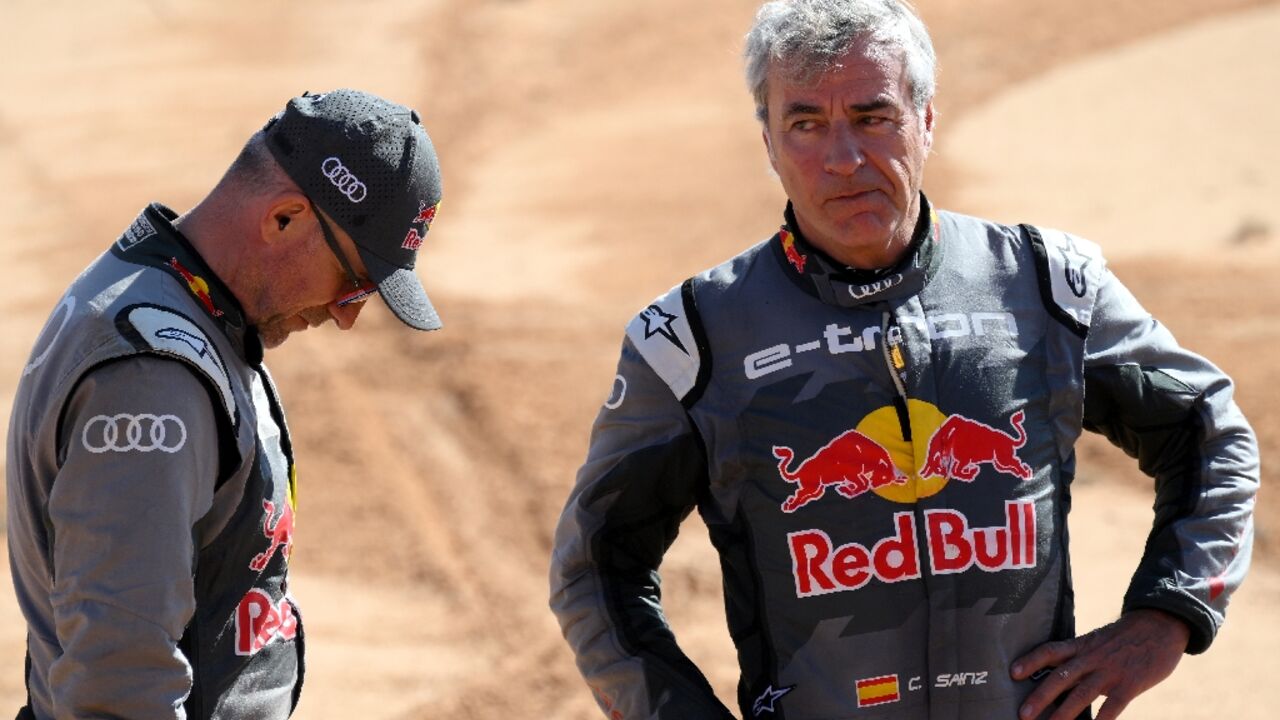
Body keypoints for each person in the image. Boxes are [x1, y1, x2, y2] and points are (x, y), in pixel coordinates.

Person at [548, 1, 1258, 718]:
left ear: (926, 120)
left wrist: (1168, 614)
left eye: (872, 116)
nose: (843, 158)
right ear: (768, 143)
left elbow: (1209, 432)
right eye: (805, 124)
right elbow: (595, 568)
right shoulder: (693, 338)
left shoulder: (1049, 288)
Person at [6, 89, 443, 719]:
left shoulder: (179, 301)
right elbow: (119, 681)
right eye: (354, 284)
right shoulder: (152, 381)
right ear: (284, 219)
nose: (347, 317)